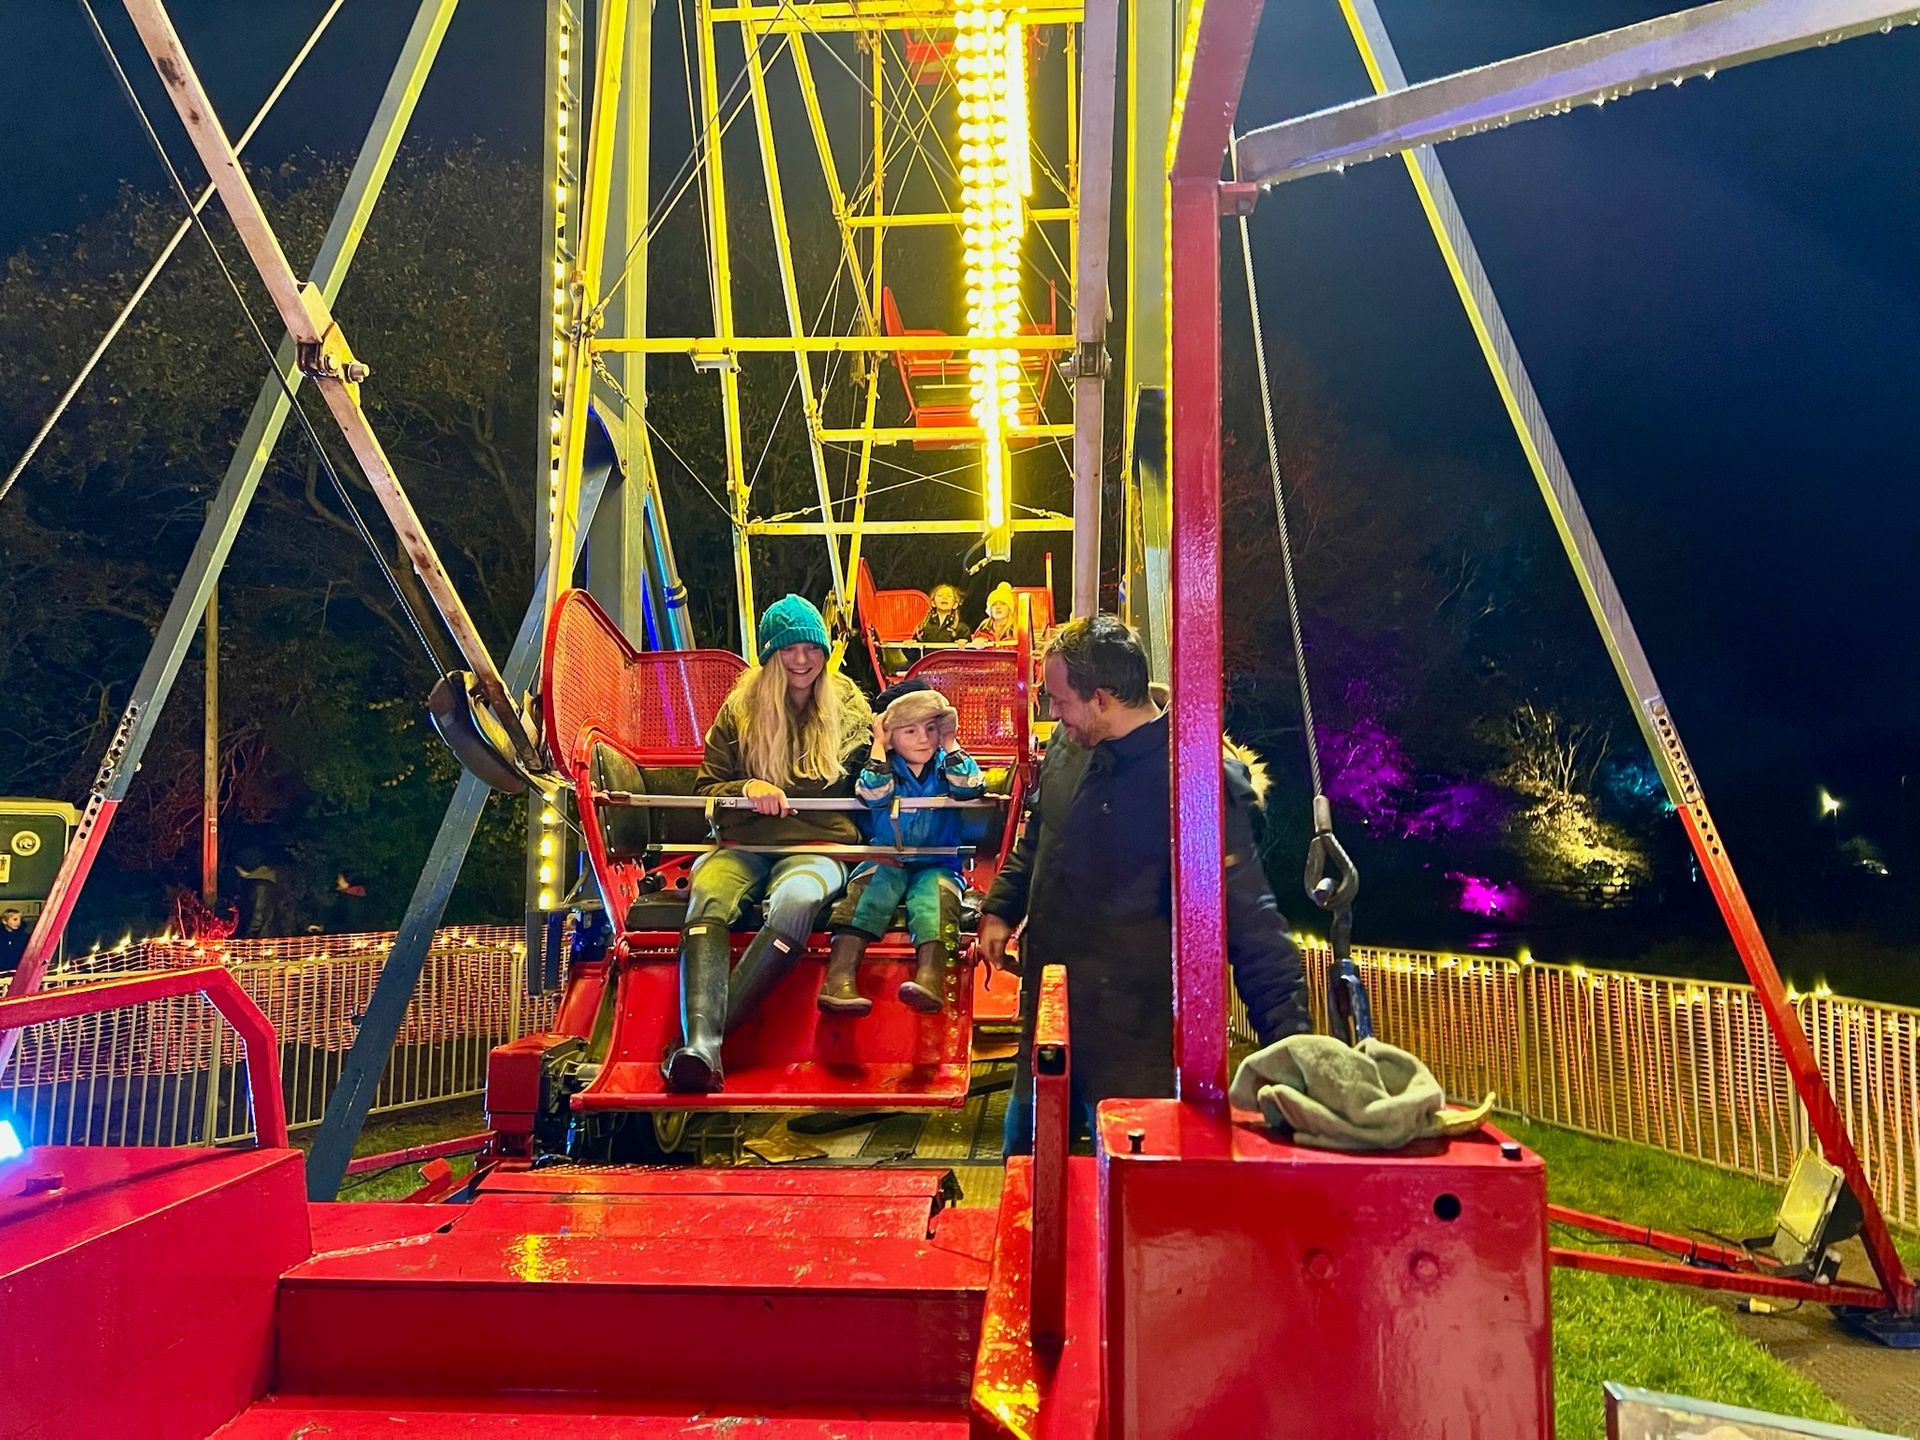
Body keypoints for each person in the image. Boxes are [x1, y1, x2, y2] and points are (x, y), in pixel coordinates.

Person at [976, 614, 1311, 1152]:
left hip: (1134, 1048)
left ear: (1102, 698)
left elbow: (1250, 920)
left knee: (1131, 1188)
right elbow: (1041, 833)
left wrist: (1296, 1052)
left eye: (1060, 701)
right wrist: (1001, 907)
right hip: (1050, 1021)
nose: (1053, 715)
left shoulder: (1194, 782)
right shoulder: (1070, 745)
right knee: (1026, 1165)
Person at [667, 594, 875, 1092]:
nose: (802, 660)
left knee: (797, 899)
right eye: (788, 649)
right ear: (769, 655)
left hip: (820, 845)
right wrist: (746, 789)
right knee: (708, 892)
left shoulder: (850, 707)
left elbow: (872, 782)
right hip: (743, 843)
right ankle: (701, 1043)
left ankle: (702, 1048)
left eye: (811, 648)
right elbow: (705, 790)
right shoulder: (740, 710)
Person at [819, 685, 985, 1016]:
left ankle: (930, 980)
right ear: (891, 736)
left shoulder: (946, 765)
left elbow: (971, 787)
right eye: (910, 731)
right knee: (869, 890)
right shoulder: (883, 768)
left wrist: (950, 743)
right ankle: (839, 979)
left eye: (931, 728)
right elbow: (873, 795)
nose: (923, 739)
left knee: (935, 900)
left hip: (937, 859)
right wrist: (879, 748)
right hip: (887, 854)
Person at [0, 909, 27, 976]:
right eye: (15, 919)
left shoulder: (23, 937)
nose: (18, 922)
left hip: (17, 970)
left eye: (20, 920)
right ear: (4, 921)